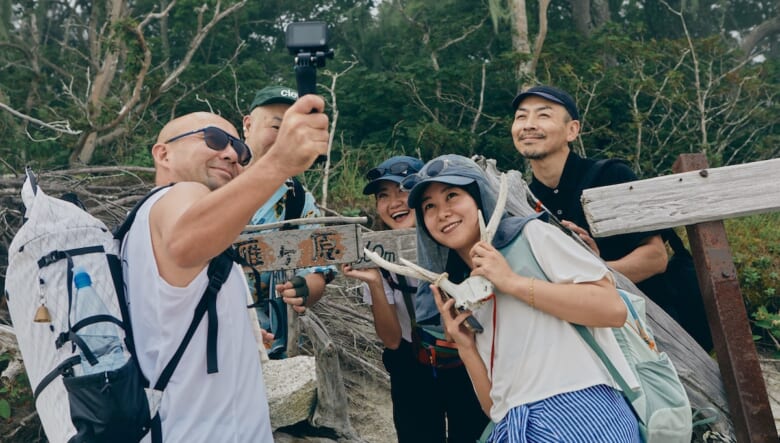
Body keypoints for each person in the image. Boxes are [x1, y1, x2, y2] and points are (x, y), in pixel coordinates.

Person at [122, 101, 329, 442]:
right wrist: (279, 162)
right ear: (163, 154)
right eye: (215, 140)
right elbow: (183, 242)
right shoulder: (181, 194)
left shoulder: (139, 227)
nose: (232, 155)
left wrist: (240, 338)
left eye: (239, 148)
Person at [401, 154, 641, 441]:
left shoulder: (532, 235)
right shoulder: (465, 288)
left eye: (452, 195)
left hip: (584, 413)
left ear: (479, 196)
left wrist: (512, 283)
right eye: (429, 206)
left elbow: (611, 309)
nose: (442, 212)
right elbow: (495, 406)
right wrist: (465, 347)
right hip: (513, 427)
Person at [512, 85, 713, 351]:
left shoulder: (611, 176)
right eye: (521, 117)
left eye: (543, 115)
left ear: (572, 130)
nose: (528, 125)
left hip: (654, 327)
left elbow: (655, 258)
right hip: (582, 336)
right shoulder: (524, 200)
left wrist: (596, 271)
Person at [341, 156, 489, 442]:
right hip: (413, 367)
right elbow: (392, 340)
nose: (394, 202)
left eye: (402, 191)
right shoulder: (374, 255)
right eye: (383, 195)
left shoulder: (458, 241)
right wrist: (374, 282)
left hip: (468, 366)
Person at [242, 85, 336, 358]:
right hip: (208, 346)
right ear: (248, 124)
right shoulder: (212, 182)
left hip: (277, 350)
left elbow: (318, 271)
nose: (284, 139)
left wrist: (304, 290)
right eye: (276, 126)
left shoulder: (297, 200)